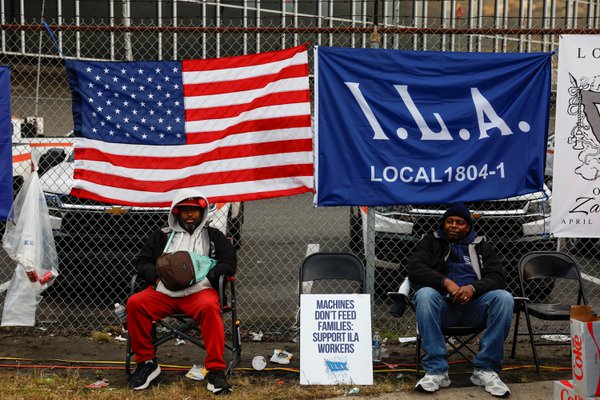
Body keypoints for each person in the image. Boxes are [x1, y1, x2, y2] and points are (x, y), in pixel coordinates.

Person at [126, 188, 237, 394]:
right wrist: (157, 277)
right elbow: (142, 262)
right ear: (176, 212)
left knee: (210, 306)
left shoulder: (213, 236)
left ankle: (215, 370)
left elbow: (229, 264)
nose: (189, 214)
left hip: (199, 293)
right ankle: (147, 363)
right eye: (185, 210)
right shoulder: (162, 235)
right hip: (163, 293)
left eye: (194, 210)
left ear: (202, 213)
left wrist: (205, 274)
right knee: (136, 303)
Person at [408, 204, 513, 398]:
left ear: (468, 227)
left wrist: (473, 289)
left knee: (504, 298)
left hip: (474, 307)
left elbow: (498, 277)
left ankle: (485, 370)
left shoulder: (481, 245)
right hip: (443, 307)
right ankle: (437, 371)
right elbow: (415, 268)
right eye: (449, 221)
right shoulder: (431, 242)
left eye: (459, 222)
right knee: (424, 295)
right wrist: (446, 283)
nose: (453, 226)